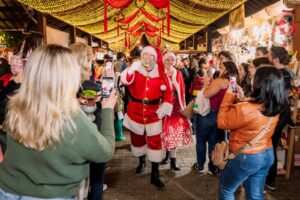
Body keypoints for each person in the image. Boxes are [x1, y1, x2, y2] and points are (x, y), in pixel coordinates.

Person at [0, 44, 117, 199]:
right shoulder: (73, 121)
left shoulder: (15, 108)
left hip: (7, 191)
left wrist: (77, 101)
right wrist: (108, 109)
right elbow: (105, 152)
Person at [217, 66, 285, 200]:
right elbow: (257, 111)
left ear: (261, 83)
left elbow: (222, 122)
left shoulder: (246, 109)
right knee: (255, 195)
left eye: (254, 77)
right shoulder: (275, 105)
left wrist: (229, 95)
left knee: (226, 189)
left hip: (246, 156)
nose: (251, 78)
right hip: (267, 153)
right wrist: (243, 99)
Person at [120, 46, 172, 188]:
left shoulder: (161, 73)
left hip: (154, 114)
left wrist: (163, 109)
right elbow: (125, 80)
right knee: (137, 140)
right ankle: (141, 161)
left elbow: (168, 94)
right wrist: (131, 68)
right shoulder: (136, 71)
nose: (148, 59)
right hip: (136, 112)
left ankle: (155, 173)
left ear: (155, 59)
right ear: (141, 58)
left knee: (155, 144)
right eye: (145, 56)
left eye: (151, 56)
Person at [70, 43, 108, 200]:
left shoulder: (66, 81)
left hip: (74, 136)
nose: (92, 62)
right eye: (90, 58)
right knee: (96, 177)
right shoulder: (84, 83)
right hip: (90, 133)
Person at [193, 61, 238, 174]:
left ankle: (200, 165)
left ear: (227, 69)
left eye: (221, 67)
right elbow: (233, 97)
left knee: (201, 141)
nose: (219, 68)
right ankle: (213, 167)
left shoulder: (219, 81)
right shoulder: (233, 81)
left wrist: (206, 84)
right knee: (213, 142)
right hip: (221, 115)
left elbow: (207, 94)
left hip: (207, 114)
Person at [266, 46, 296, 190]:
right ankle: (268, 179)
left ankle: (269, 180)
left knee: (269, 145)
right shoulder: (287, 72)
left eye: (269, 55)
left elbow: (278, 96)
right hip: (281, 112)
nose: (267, 57)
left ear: (275, 58)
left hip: (279, 113)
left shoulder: (282, 74)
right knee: (270, 145)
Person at [160, 52, 193, 170]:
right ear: (163, 61)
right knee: (166, 132)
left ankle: (173, 160)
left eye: (172, 60)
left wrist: (182, 105)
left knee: (174, 133)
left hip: (176, 107)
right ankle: (167, 155)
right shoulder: (160, 73)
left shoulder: (178, 73)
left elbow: (182, 90)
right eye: (167, 60)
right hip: (163, 107)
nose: (170, 62)